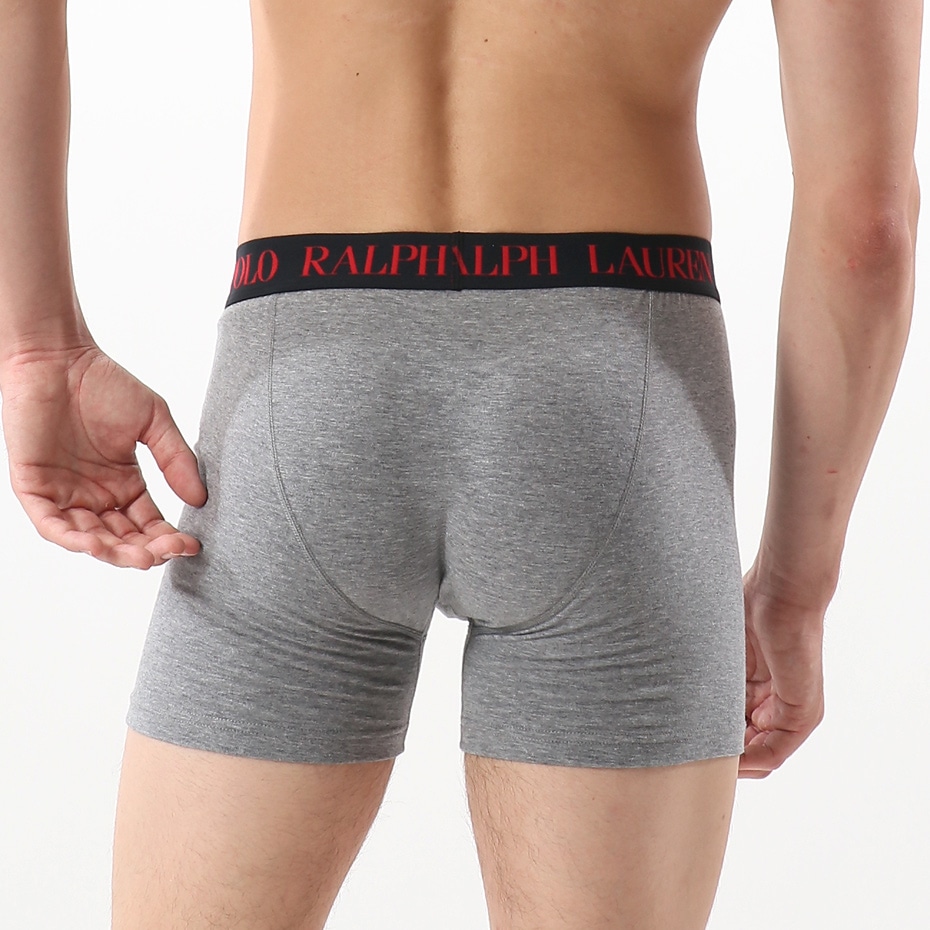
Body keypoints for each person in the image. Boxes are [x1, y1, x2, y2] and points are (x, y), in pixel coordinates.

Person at [0, 0, 921, 927]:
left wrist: (37, 344)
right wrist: (795, 590)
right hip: (618, 393)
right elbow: (867, 227)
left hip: (302, 367)